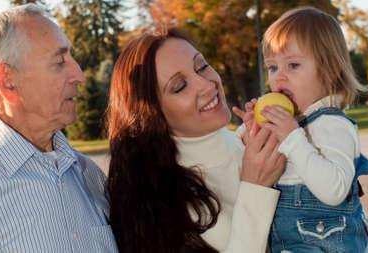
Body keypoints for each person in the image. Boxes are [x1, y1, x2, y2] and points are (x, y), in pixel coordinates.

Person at [0, 4, 118, 252]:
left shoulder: (89, 175)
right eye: (60, 61)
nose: (79, 75)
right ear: (7, 81)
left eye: (72, 58)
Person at [105, 27, 286, 253]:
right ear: (152, 115)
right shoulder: (157, 201)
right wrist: (256, 188)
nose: (207, 84)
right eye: (179, 86)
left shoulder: (253, 145)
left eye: (201, 66)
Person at [238, 7, 368, 252]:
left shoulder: (332, 125)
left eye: (293, 65)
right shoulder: (293, 122)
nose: (279, 77)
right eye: (273, 67)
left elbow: (334, 191)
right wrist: (252, 132)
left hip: (330, 245)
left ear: (330, 71)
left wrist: (293, 137)